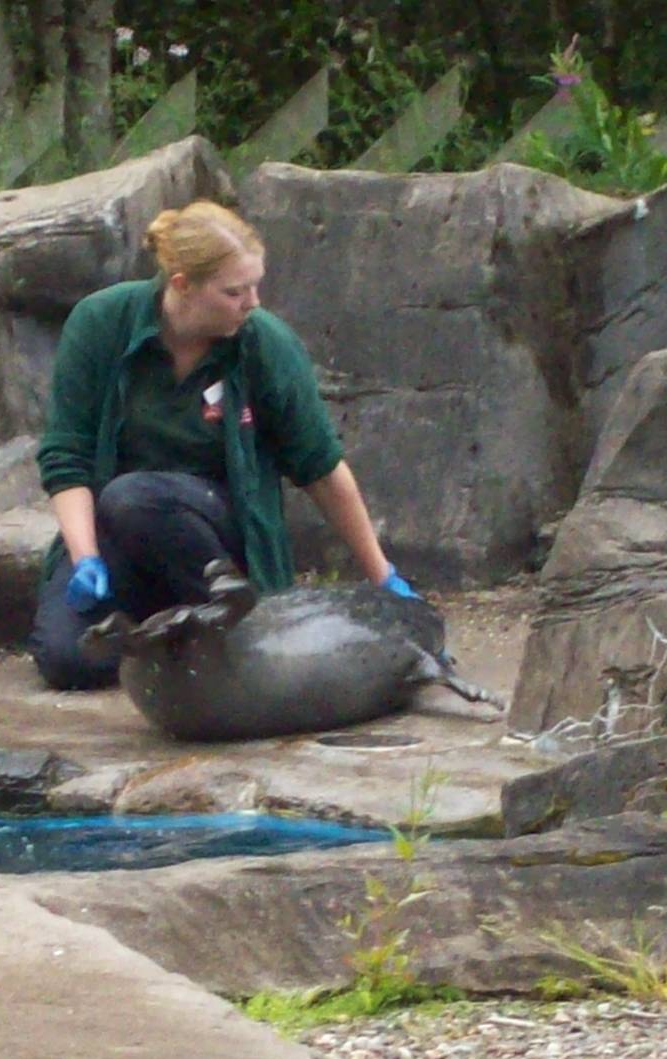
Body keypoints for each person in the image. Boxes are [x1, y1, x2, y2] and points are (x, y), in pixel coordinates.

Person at [30, 199, 418, 690]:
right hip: (118, 532)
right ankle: (179, 634)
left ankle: (238, 616)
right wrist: (85, 558)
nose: (252, 302)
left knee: (133, 496)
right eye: (234, 291)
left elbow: (320, 466)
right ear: (182, 287)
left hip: (220, 533)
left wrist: (383, 575)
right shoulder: (101, 323)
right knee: (67, 659)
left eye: (255, 285)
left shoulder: (263, 342)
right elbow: (67, 458)